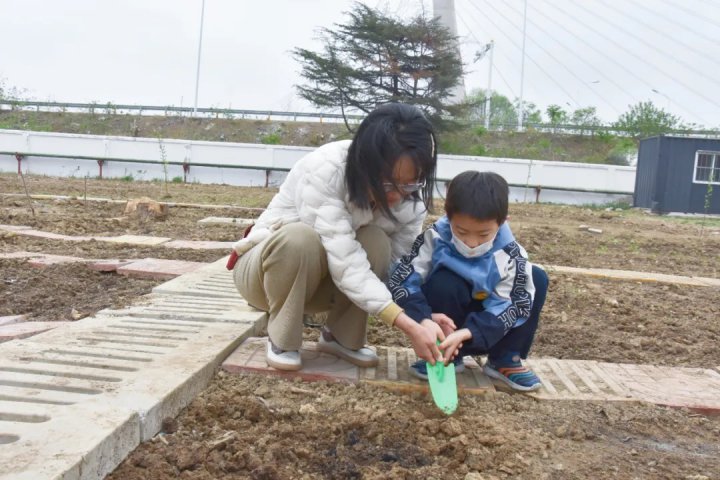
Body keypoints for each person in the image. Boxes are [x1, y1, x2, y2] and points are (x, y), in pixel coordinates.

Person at [230, 103, 447, 371]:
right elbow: (348, 264)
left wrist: (422, 315)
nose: (396, 195)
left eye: (410, 183)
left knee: (377, 241)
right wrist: (405, 324)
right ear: (365, 164)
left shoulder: (411, 199)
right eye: (387, 182)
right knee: (301, 238)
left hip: (326, 287)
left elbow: (399, 268)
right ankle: (282, 338)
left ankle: (341, 336)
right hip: (266, 278)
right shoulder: (327, 170)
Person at [387, 170, 549, 391]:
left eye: (483, 234)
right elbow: (403, 281)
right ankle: (445, 354)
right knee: (444, 281)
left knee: (536, 278)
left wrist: (470, 332)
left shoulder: (511, 254)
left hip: (491, 327)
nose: (472, 242)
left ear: (502, 222)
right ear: (448, 216)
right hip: (447, 322)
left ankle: (504, 358)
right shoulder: (434, 238)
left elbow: (512, 306)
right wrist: (424, 318)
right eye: (461, 231)